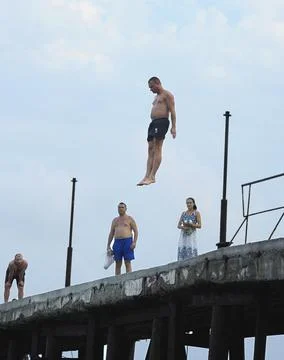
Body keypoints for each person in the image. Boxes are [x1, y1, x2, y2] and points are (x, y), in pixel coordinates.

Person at [137, 76, 176, 186]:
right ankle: (147, 175)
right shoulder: (156, 97)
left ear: (157, 83)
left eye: (152, 87)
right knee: (150, 148)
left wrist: (173, 127)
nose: (151, 90)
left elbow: (172, 111)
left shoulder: (167, 95)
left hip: (162, 122)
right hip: (153, 123)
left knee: (157, 147)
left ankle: (152, 176)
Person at [107, 202, 138, 275]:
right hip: (117, 242)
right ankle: (117, 279)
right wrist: (108, 246)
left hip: (127, 241)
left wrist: (134, 242)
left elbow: (136, 231)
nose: (120, 209)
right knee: (118, 262)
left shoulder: (129, 219)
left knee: (127, 261)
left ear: (125, 209)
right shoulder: (115, 220)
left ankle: (129, 278)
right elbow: (111, 233)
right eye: (119, 207)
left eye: (122, 207)